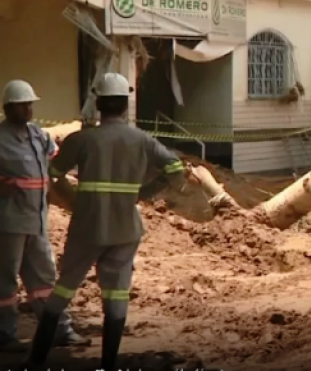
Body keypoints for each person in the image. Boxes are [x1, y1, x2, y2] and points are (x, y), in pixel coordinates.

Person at [24, 73, 186, 371]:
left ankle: (36, 361)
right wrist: (144, 192)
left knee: (62, 291)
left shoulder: (82, 140)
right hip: (126, 229)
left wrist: (72, 198)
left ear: (98, 103)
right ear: (126, 105)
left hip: (88, 227)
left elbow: (53, 173)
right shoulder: (142, 140)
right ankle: (108, 364)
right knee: (116, 294)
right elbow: (176, 168)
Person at [0, 80, 89, 354]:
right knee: (4, 281)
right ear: (8, 108)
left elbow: (55, 167)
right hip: (9, 222)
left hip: (37, 221)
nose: (28, 109)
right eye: (23, 105)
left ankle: (59, 330)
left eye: (30, 104)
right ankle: (4, 336)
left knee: (45, 280)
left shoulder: (38, 135)